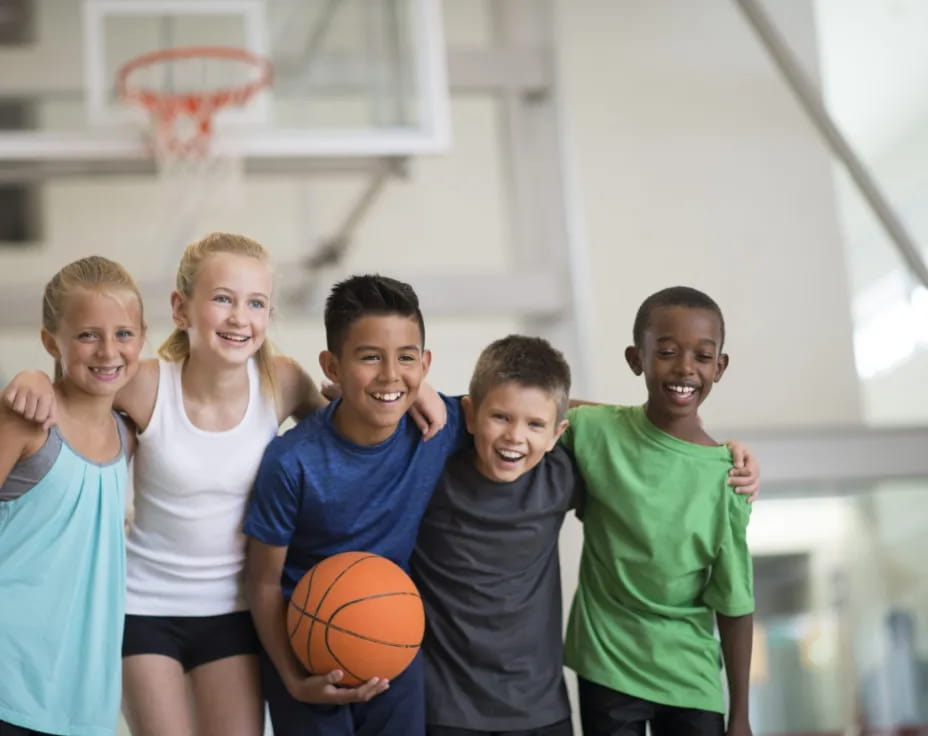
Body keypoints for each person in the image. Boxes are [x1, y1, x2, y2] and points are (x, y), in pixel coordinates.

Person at [1, 236, 445, 736]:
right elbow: (80, 382)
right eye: (222, 299)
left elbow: (350, 430)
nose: (239, 317)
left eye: (255, 303)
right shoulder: (147, 383)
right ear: (181, 309)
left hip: (234, 613)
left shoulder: (284, 381)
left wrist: (415, 386)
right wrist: (33, 377)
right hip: (144, 608)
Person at [411, 334, 760, 736]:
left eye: (534, 425)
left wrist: (692, 435)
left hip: (542, 712)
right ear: (471, 416)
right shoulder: (429, 460)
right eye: (500, 418)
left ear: (556, 433)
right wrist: (415, 389)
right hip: (443, 710)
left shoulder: (560, 472)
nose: (514, 437)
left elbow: (627, 433)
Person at [244, 273, 469, 736]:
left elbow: (534, 413)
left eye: (405, 358)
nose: (390, 375)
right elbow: (262, 581)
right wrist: (292, 678)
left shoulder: (437, 428)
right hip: (307, 648)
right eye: (370, 358)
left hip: (394, 638)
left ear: (425, 363)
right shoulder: (291, 462)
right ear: (332, 365)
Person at [563, 286, 755, 736]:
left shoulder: (727, 476)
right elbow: (530, 405)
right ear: (637, 359)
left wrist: (741, 714)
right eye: (667, 352)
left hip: (691, 677)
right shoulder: (596, 431)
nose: (686, 367)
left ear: (719, 367)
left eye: (703, 356)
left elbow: (735, 600)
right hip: (608, 664)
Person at [0, 256, 146, 736]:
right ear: (51, 342)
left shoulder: (129, 434)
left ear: (142, 339)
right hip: (9, 677)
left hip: (83, 696)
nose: (108, 351)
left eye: (124, 334)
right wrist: (31, 376)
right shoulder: (27, 419)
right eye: (87, 335)